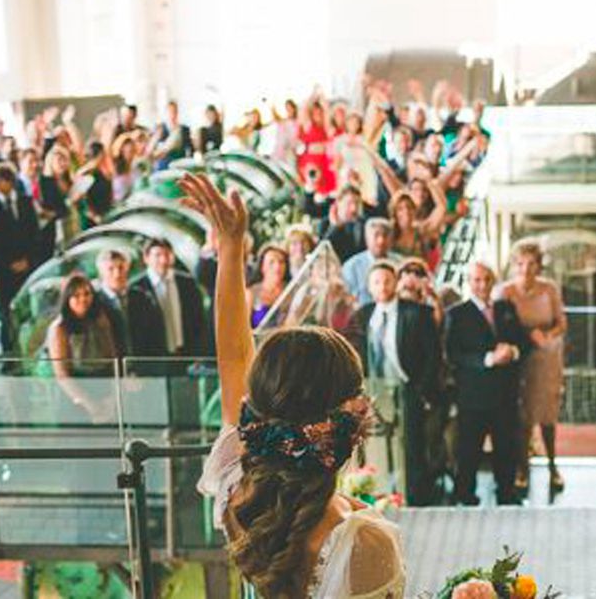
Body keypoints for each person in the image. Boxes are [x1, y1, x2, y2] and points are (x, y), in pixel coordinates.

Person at [180, 172, 406, 599]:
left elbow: (231, 357)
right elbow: (235, 360)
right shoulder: (361, 543)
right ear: (344, 419)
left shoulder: (240, 490)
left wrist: (231, 250)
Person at [346, 261, 442, 506]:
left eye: (388, 280)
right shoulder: (364, 315)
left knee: (411, 444)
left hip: (408, 387)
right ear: (369, 286)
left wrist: (422, 391)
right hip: (374, 389)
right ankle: (380, 494)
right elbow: (354, 351)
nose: (382, 286)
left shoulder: (417, 313)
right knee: (375, 443)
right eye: (376, 281)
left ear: (396, 282)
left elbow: (433, 355)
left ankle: (414, 497)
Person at [445, 261, 530, 506]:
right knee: (469, 447)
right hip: (474, 394)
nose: (482, 285)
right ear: (469, 283)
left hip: (505, 393)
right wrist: (488, 359)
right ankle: (465, 494)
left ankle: (506, 492)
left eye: (486, 279)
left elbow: (523, 342)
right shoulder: (457, 314)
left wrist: (512, 351)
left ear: (493, 281)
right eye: (477, 280)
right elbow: (453, 354)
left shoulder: (506, 308)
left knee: (506, 446)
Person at [500, 242, 567, 493]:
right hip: (519, 359)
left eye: (531, 264)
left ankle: (553, 466)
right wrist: (526, 336)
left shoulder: (549, 289)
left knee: (548, 415)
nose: (525, 269)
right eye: (520, 264)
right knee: (522, 418)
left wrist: (547, 335)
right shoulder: (505, 292)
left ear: (538, 265)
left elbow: (562, 322)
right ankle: (523, 468)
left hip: (546, 358)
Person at [0, 162, 41, 353]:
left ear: (10, 181)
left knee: (29, 306)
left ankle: (30, 345)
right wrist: (9, 263)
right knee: (6, 309)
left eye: (1, 181)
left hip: (27, 263)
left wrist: (28, 260)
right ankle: (9, 349)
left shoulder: (26, 201)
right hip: (3, 267)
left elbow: (34, 234)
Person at [47, 273, 119, 422]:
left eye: (87, 294)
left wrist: (113, 398)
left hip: (103, 389)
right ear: (67, 299)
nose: (83, 299)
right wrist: (91, 406)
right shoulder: (59, 328)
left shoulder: (100, 319)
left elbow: (112, 359)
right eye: (76, 295)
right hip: (75, 394)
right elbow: (61, 374)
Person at [127, 238, 206, 367]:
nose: (163, 260)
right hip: (154, 360)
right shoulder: (136, 289)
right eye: (157, 255)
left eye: (167, 254)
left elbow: (198, 321)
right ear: (146, 258)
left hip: (186, 357)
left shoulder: (187, 283)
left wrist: (199, 354)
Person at [341, 218, 401, 306]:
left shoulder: (400, 262)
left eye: (385, 235)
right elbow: (346, 299)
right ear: (366, 238)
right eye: (376, 235)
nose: (381, 241)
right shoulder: (351, 266)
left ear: (391, 239)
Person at [94, 248, 133, 356]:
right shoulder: (94, 301)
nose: (117, 274)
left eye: (121, 268)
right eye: (110, 269)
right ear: (101, 272)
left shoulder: (139, 296)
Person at [248, 243, 290, 328]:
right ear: (262, 267)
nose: (277, 266)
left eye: (281, 262)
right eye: (272, 262)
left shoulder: (292, 290)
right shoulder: (251, 293)